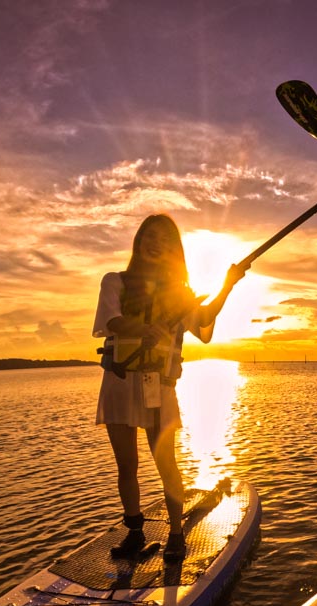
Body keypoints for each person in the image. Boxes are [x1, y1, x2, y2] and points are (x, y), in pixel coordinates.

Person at [93, 214, 247, 562]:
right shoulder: (115, 281)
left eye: (165, 238)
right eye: (150, 235)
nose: (156, 241)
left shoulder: (180, 295)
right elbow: (111, 320)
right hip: (119, 383)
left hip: (158, 387)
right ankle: (135, 532)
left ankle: (177, 534)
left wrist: (228, 285)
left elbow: (204, 325)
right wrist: (139, 328)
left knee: (167, 463)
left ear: (173, 249)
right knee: (126, 465)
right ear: (139, 241)